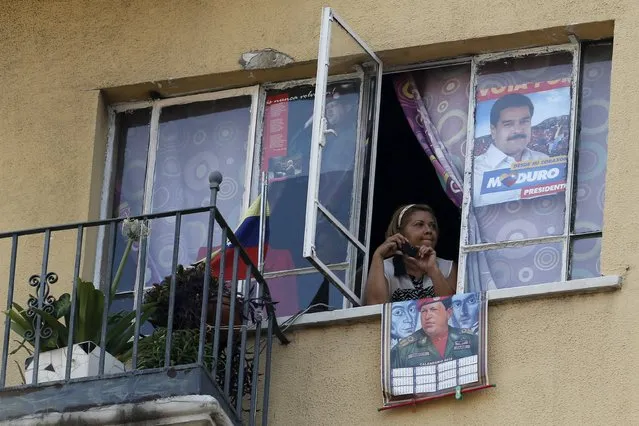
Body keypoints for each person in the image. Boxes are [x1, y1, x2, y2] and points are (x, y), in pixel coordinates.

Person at [364, 204, 457, 305]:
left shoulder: (447, 267)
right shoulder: (385, 268)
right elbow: (376, 309)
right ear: (400, 232)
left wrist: (433, 270)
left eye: (432, 226)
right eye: (419, 224)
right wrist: (378, 256)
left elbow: (452, 308)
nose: (429, 230)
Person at [473, 93, 549, 207]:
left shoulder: (544, 160)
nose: (518, 130)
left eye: (524, 121)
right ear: (493, 130)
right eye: (508, 124)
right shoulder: (476, 171)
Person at [391, 297, 477, 368]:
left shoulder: (470, 339)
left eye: (433, 309)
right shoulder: (403, 349)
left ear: (449, 313)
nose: (427, 316)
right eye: (424, 311)